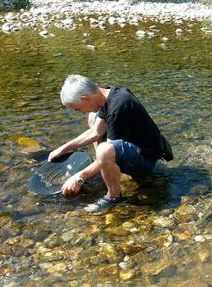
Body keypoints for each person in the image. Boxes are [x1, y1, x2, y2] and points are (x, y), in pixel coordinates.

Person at [48, 75, 165, 213]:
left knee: (104, 151)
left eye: (78, 109)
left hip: (147, 159)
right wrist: (63, 148)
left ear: (85, 98)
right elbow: (96, 132)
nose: (81, 112)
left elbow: (108, 151)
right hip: (134, 147)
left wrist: (79, 177)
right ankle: (106, 171)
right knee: (93, 117)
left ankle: (113, 196)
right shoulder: (107, 95)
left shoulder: (118, 107)